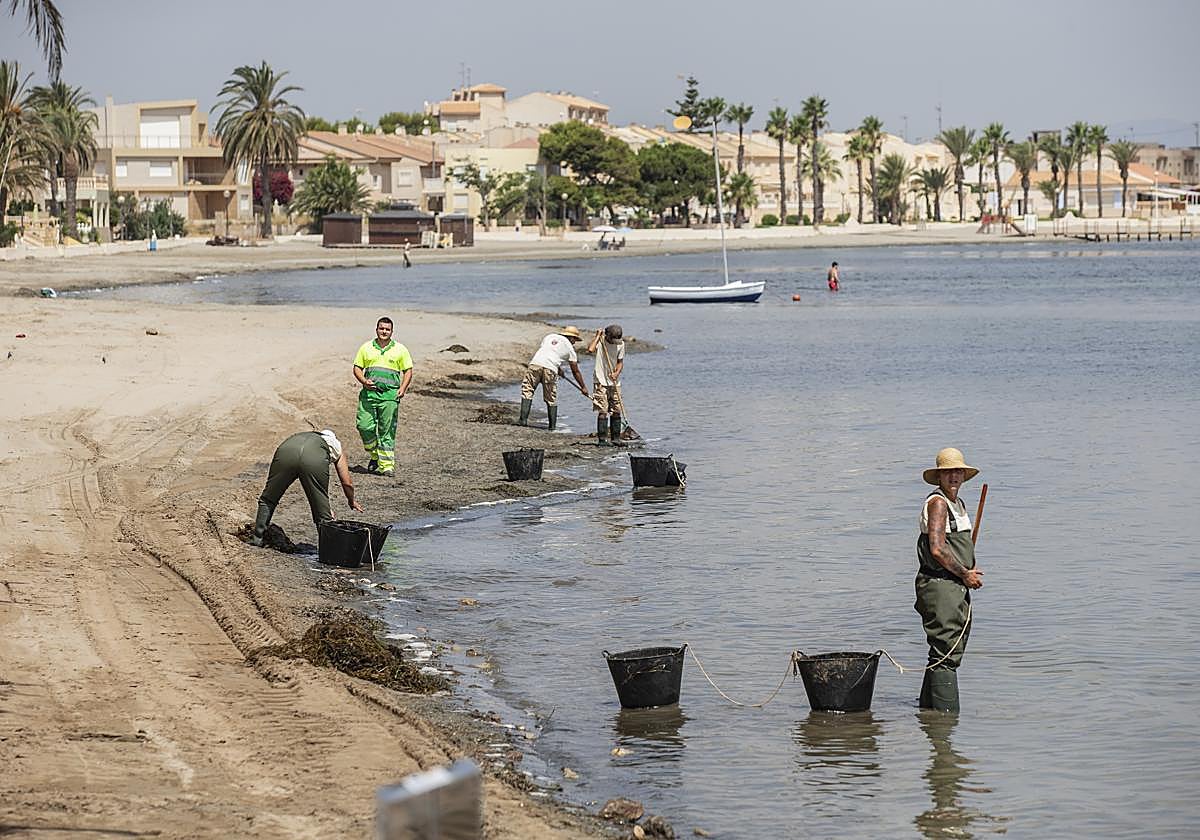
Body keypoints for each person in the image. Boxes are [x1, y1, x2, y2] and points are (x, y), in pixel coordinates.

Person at [914, 447, 984, 713]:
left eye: (958, 472)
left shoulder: (958, 503)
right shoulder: (939, 503)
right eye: (948, 472)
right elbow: (937, 548)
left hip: (952, 584)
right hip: (941, 585)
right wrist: (965, 573)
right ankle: (947, 720)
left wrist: (969, 568)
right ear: (939, 477)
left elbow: (956, 546)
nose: (954, 476)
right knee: (946, 653)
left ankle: (927, 715)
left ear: (964, 476)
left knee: (941, 652)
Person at [250, 429, 362, 546]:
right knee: (322, 512)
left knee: (269, 498)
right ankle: (329, 548)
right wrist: (351, 500)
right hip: (313, 459)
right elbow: (347, 483)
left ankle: (257, 538)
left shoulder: (304, 435)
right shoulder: (336, 446)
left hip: (286, 450)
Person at [353, 317, 413, 477]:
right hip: (368, 395)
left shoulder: (400, 349)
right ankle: (375, 455)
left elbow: (408, 371)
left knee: (386, 431)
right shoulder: (366, 347)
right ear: (376, 330)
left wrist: (403, 388)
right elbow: (357, 368)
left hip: (390, 396)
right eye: (381, 328)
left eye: (387, 329)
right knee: (364, 426)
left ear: (392, 332)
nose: (384, 331)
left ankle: (387, 466)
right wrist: (364, 381)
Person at [517, 326, 588, 430]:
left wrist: (559, 369)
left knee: (527, 390)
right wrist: (583, 387)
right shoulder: (570, 349)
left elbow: (549, 353)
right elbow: (575, 371)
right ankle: (552, 426)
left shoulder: (549, 337)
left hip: (535, 364)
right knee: (550, 397)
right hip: (550, 369)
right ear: (571, 338)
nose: (574, 343)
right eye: (575, 340)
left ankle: (523, 420)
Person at [587, 324, 625, 446]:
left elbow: (620, 362)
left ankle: (615, 439)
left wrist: (616, 373)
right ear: (607, 336)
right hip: (600, 380)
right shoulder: (601, 341)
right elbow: (590, 350)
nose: (614, 343)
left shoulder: (621, 344)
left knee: (617, 409)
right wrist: (598, 336)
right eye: (612, 339)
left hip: (614, 382)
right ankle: (602, 440)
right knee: (603, 410)